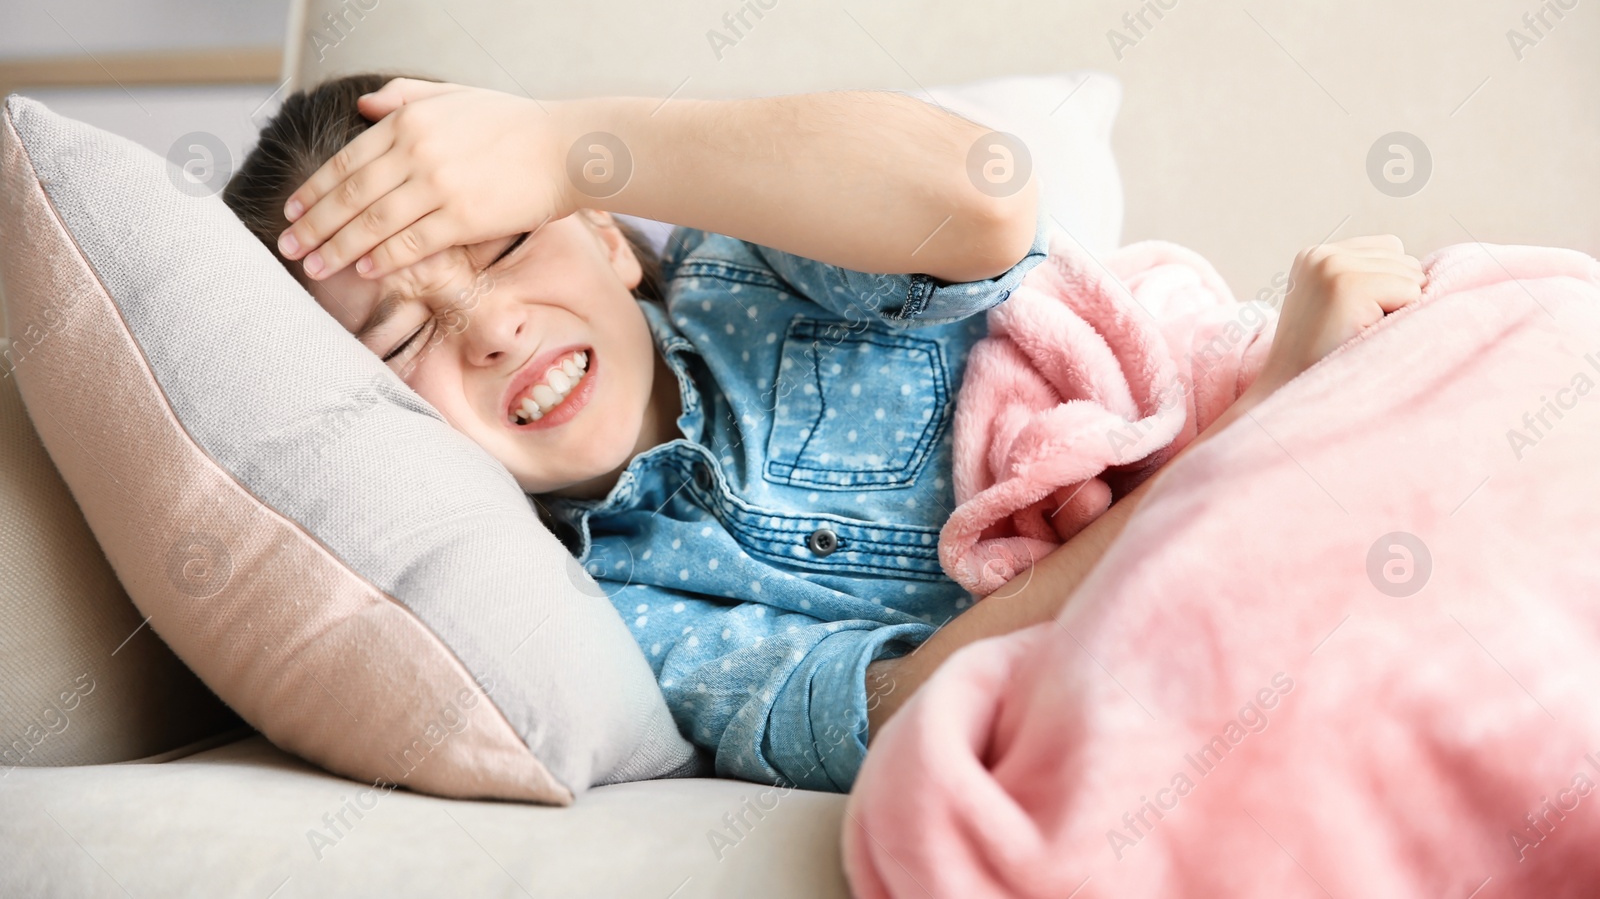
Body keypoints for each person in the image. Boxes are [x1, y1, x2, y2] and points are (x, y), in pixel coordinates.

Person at [223, 74, 1424, 792]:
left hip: (1320, 393)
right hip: (1225, 536)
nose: (490, 327)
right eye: (396, 339)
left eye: (508, 244)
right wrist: (1242, 453)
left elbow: (982, 195)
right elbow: (904, 701)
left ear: (596, 232)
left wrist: (554, 142)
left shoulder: (752, 271)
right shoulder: (607, 611)